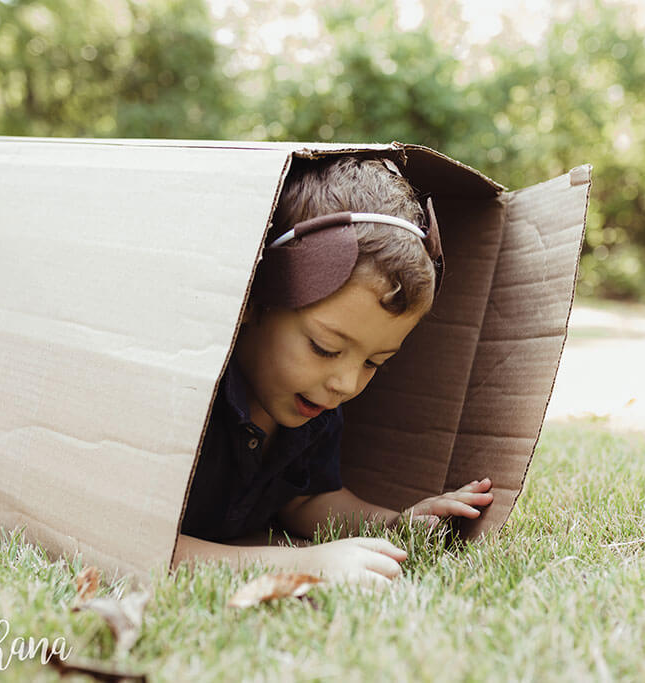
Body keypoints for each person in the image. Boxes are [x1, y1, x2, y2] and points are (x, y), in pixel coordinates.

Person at [174, 156, 494, 586]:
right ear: (252, 301)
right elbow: (141, 541)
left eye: (373, 362)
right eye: (325, 348)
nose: (345, 384)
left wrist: (395, 525)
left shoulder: (310, 403)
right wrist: (297, 565)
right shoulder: (191, 395)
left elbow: (306, 500)